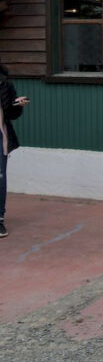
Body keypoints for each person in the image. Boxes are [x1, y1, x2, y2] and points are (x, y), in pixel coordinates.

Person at [0, 64, 29, 238]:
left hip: (0, 136)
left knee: (0, 177)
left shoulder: (5, 84)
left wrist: (19, 105)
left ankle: (0, 220)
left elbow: (11, 113)